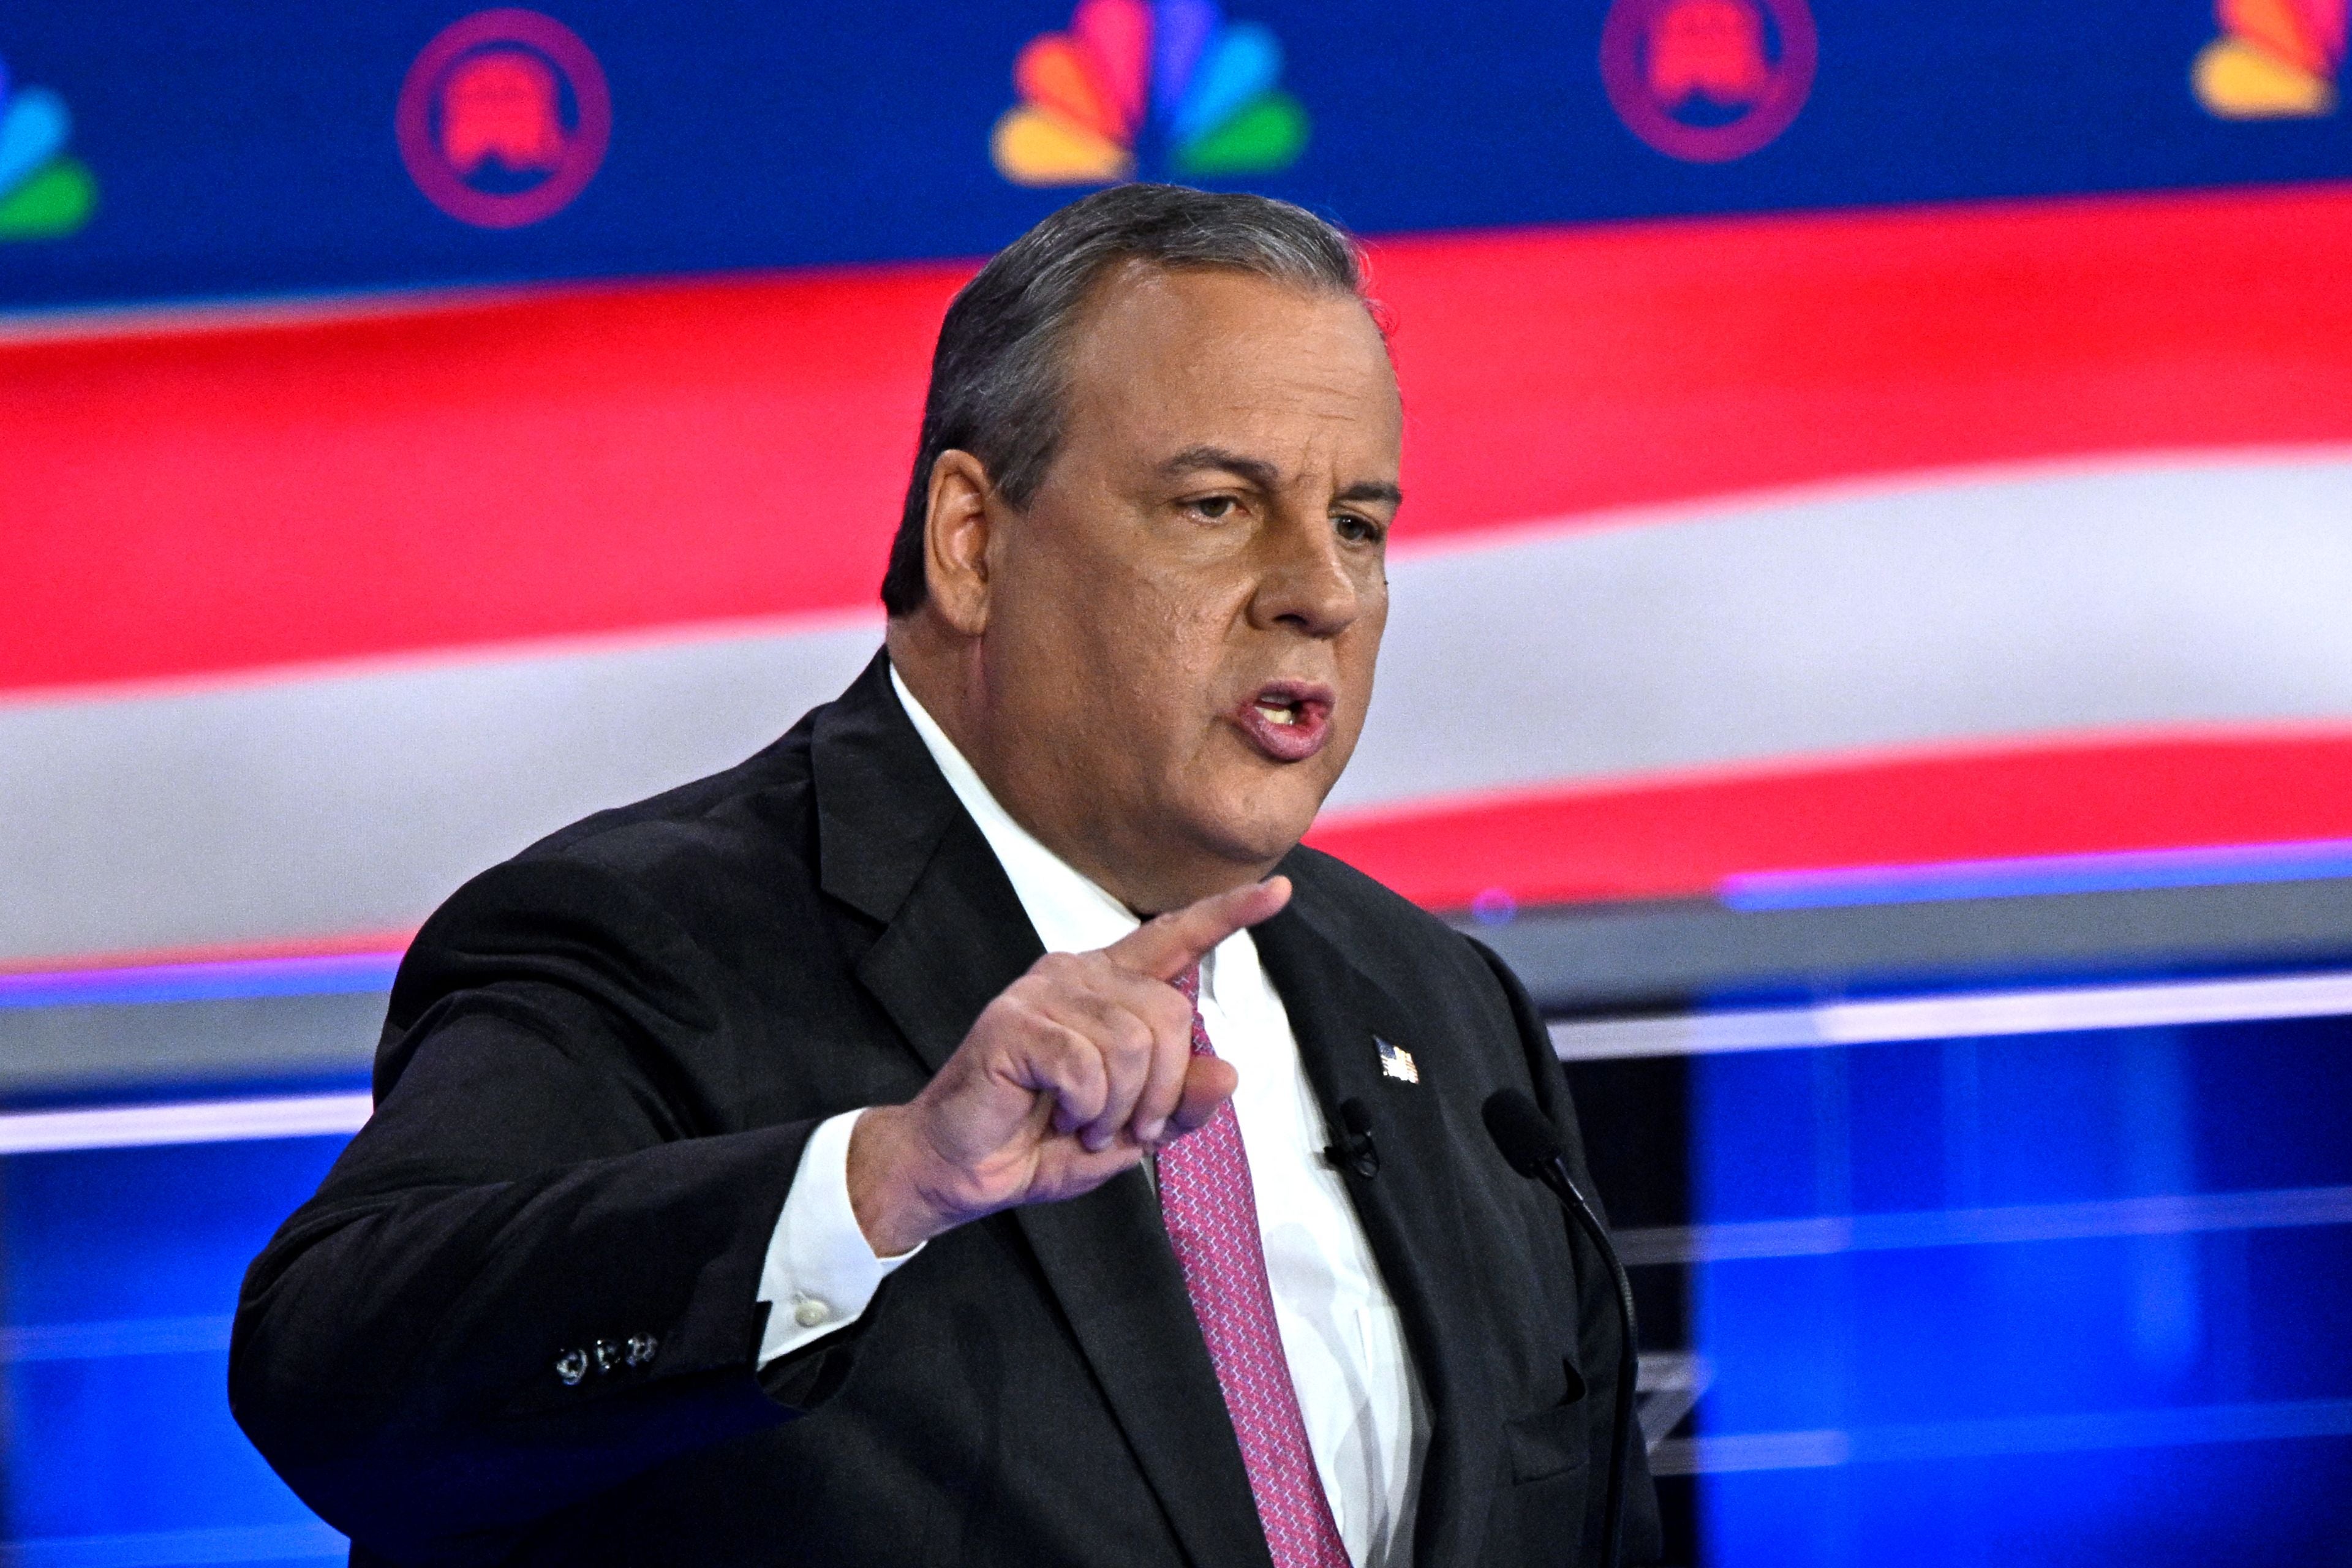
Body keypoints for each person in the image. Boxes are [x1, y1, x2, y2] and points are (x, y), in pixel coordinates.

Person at [230, 183, 1660, 1568]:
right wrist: (882, 1183)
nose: (1325, 591)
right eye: (1222, 505)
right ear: (972, 543)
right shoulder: (646, 940)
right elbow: (336, 1379)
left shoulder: (1447, 1009)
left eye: (1359, 521)